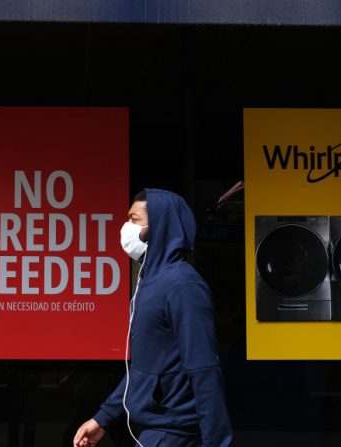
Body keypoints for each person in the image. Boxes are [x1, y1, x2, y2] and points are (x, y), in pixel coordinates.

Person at [73, 189, 232, 447]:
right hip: (155, 431)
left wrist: (217, 442)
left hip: (174, 433)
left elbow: (203, 368)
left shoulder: (183, 285)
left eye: (134, 219)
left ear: (158, 226)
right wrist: (103, 417)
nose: (126, 228)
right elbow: (143, 368)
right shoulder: (150, 281)